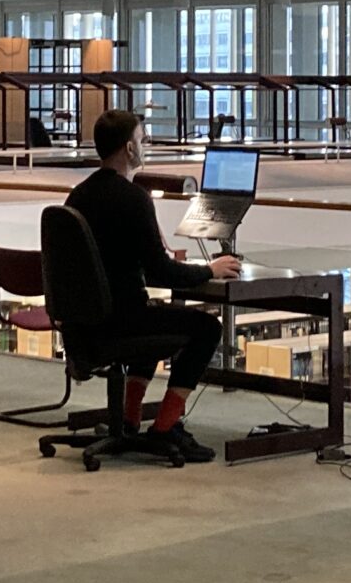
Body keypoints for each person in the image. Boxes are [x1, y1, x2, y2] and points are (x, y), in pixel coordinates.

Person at [65, 108, 239, 463]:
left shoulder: (78, 197)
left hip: (85, 324)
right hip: (122, 320)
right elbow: (161, 274)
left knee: (157, 317)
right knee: (207, 328)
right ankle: (165, 427)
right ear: (129, 149)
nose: (146, 146)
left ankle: (129, 420)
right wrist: (210, 270)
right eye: (143, 140)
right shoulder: (134, 199)